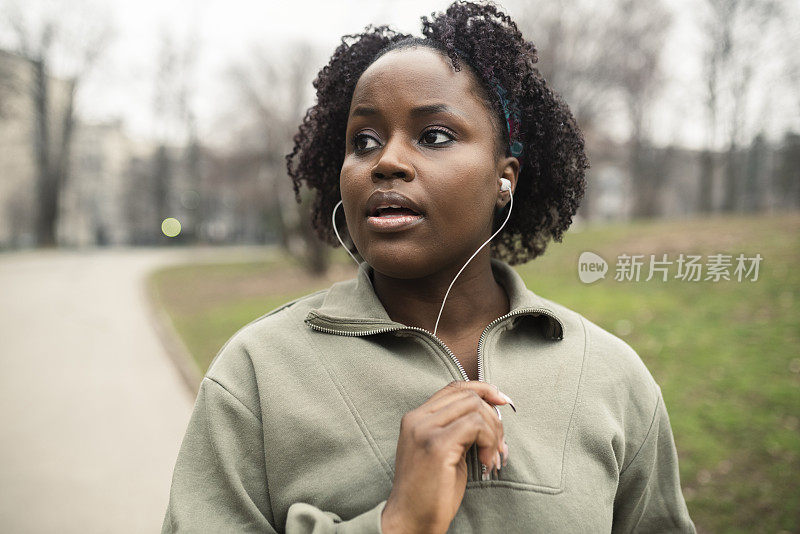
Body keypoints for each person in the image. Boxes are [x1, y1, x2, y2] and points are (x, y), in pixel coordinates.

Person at [161, 2, 696, 532]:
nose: (386, 161)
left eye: (434, 135)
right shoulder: (257, 373)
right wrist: (397, 524)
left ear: (502, 177)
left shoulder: (610, 376)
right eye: (363, 141)